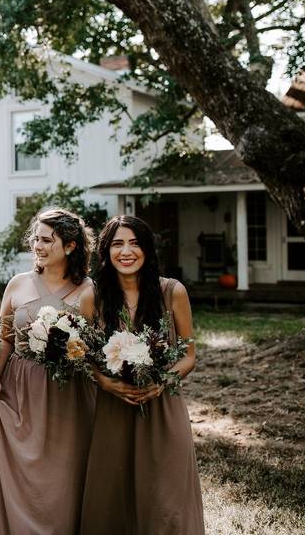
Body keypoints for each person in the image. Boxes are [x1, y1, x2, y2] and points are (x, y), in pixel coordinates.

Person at [78, 215, 204, 535]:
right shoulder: (93, 297)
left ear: (147, 249)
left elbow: (189, 356)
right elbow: (82, 355)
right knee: (114, 496)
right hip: (114, 406)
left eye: (134, 243)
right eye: (118, 244)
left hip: (163, 406)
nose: (127, 251)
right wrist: (104, 380)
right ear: (106, 252)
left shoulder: (172, 292)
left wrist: (161, 382)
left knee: (167, 495)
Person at [0, 208, 97, 535]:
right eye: (36, 238)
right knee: (20, 474)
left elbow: (93, 345)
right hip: (18, 389)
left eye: (47, 239)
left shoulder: (89, 291)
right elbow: (4, 338)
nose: (38, 245)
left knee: (61, 476)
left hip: (67, 395)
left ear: (71, 246)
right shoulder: (18, 285)